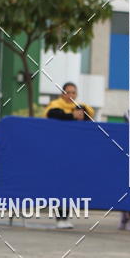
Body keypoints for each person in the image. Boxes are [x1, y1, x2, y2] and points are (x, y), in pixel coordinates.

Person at [45, 82, 94, 229]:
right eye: (68, 92)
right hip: (56, 151)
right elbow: (52, 115)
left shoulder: (80, 107)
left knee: (70, 185)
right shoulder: (55, 106)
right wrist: (71, 115)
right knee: (58, 185)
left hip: (73, 152)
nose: (71, 95)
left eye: (74, 92)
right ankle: (59, 217)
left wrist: (80, 115)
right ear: (62, 93)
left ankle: (65, 217)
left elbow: (89, 116)